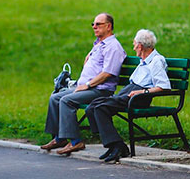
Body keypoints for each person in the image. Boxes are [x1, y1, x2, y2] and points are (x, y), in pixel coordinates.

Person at [41, 13, 126, 155]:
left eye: (98, 24)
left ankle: (75, 141)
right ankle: (59, 137)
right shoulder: (99, 45)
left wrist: (87, 85)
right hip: (87, 87)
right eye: (93, 24)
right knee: (55, 97)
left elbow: (108, 73)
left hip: (100, 90)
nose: (94, 27)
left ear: (108, 26)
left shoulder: (113, 47)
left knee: (66, 100)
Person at [85, 29, 170, 163]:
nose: (133, 47)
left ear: (140, 46)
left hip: (139, 97)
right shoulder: (144, 60)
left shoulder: (156, 61)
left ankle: (118, 146)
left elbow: (163, 86)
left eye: (134, 44)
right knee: (92, 106)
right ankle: (113, 144)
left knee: (101, 108)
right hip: (130, 92)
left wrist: (142, 92)